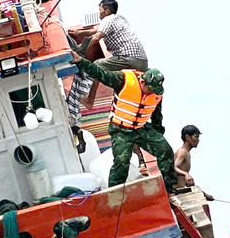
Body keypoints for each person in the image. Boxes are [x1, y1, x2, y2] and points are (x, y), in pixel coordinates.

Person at [70, 51, 178, 191]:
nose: (152, 93)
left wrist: (158, 137)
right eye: (150, 89)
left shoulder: (156, 94)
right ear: (143, 81)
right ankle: (114, 192)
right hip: (121, 130)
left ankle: (169, 188)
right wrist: (81, 61)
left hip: (140, 128)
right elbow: (101, 73)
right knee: (122, 161)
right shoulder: (123, 80)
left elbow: (157, 116)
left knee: (165, 150)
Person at [88, 0, 149, 72]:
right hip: (143, 63)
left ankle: (89, 84)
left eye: (100, 10)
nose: (99, 12)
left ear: (106, 11)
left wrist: (80, 48)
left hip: (129, 59)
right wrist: (78, 33)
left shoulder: (107, 19)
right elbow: (96, 31)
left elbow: (96, 37)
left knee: (97, 64)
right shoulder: (120, 19)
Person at [174, 125, 212, 198]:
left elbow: (186, 182)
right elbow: (174, 166)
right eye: (196, 137)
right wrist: (186, 174)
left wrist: (204, 194)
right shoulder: (183, 152)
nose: (198, 140)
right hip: (174, 193)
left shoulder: (187, 153)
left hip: (179, 192)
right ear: (187, 137)